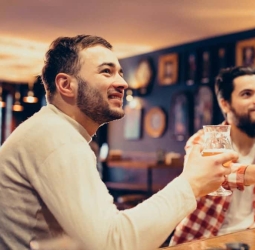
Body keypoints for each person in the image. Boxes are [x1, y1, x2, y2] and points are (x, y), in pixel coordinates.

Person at [0, 35, 238, 250]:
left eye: (120, 73)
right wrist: (191, 183)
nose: (123, 83)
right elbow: (112, 244)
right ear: (66, 85)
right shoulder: (56, 138)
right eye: (106, 71)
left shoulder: (55, 131)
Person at [170, 66, 255, 245]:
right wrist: (252, 173)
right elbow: (205, 174)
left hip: (252, 243)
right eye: (247, 94)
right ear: (224, 104)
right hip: (199, 243)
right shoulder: (203, 140)